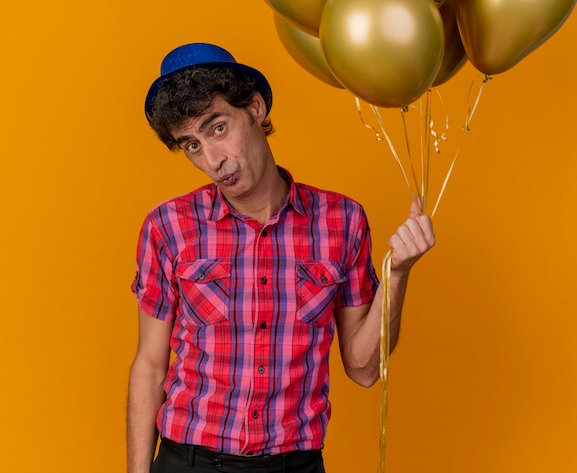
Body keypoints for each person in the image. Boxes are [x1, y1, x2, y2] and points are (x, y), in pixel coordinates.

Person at [127, 42, 435, 473]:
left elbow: (364, 370)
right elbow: (150, 363)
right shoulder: (168, 226)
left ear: (254, 108)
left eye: (218, 129)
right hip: (189, 460)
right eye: (192, 146)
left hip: (295, 465)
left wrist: (398, 273)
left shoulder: (341, 220)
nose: (214, 160)